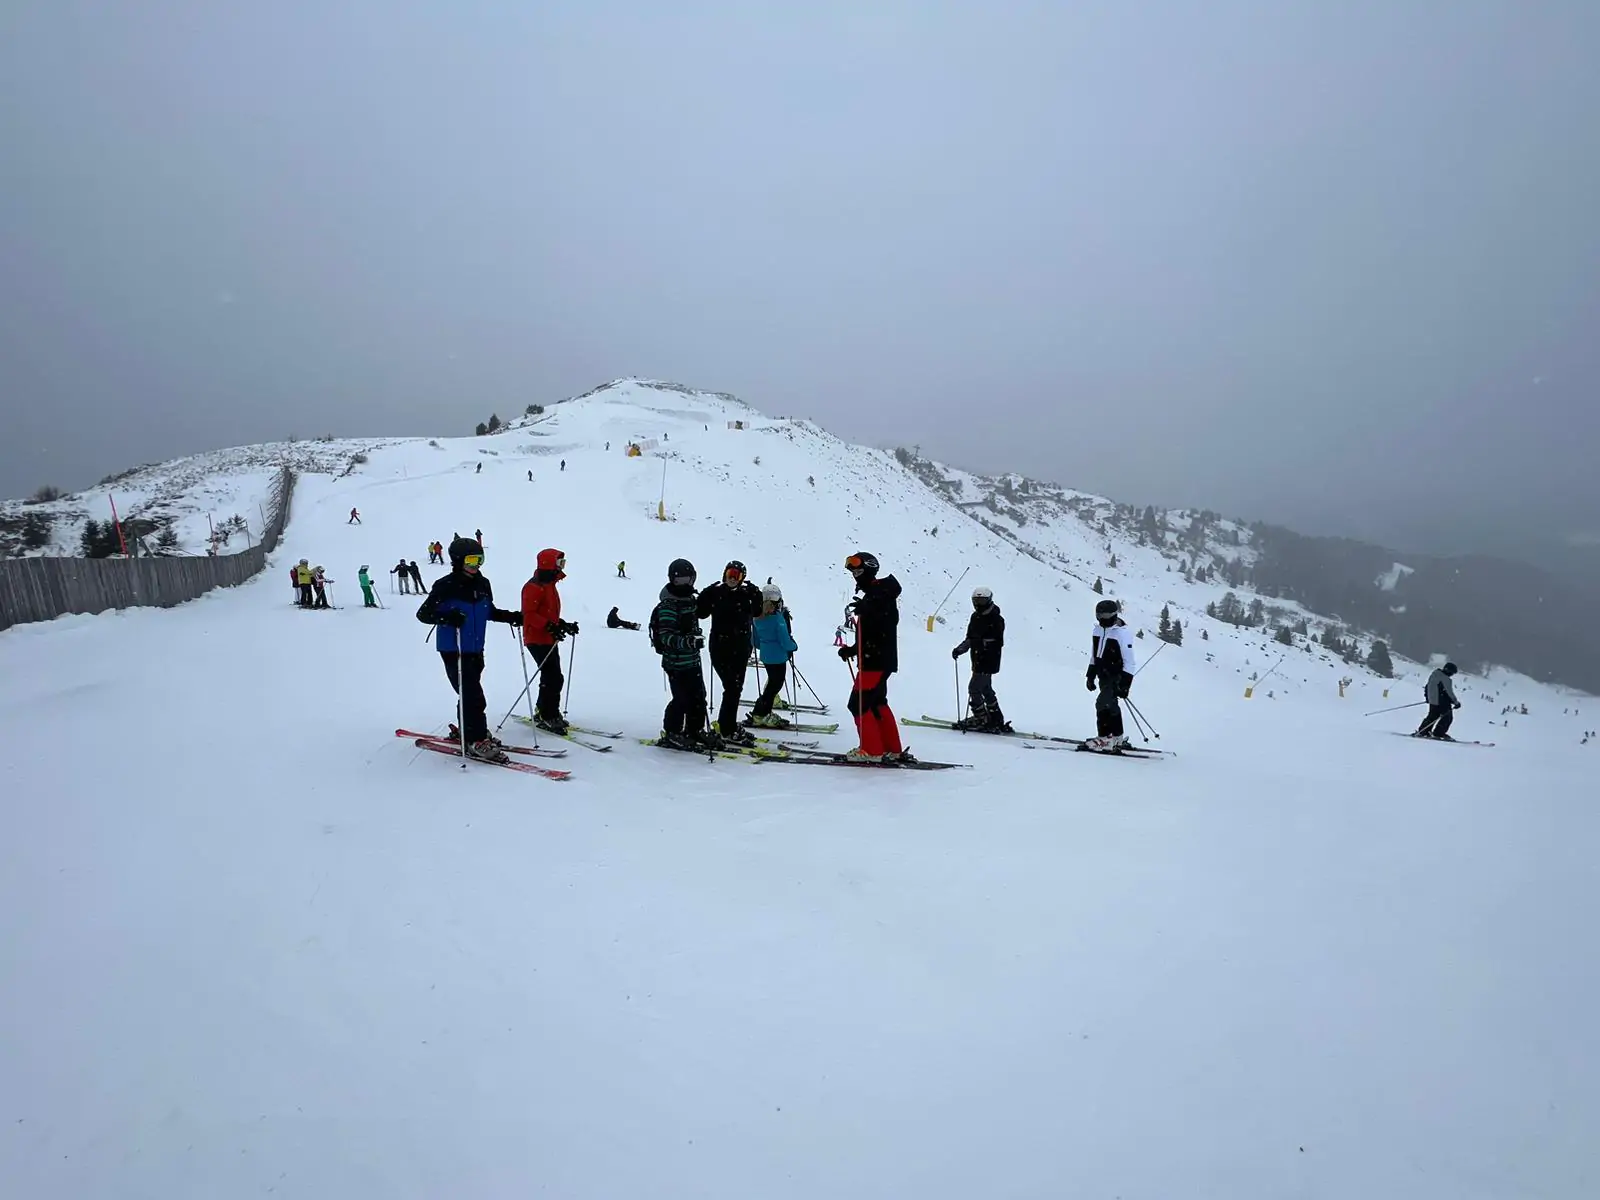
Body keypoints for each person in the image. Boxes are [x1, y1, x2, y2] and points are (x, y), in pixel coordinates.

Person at [415, 537, 522, 762]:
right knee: (473, 695)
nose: (477, 565)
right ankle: (475, 739)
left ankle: (468, 728)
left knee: (468, 692)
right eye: (471, 560)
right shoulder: (446, 585)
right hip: (453, 648)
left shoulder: (483, 584)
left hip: (475, 647)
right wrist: (447, 617)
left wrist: (512, 617)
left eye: (480, 559)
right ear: (458, 560)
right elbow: (423, 614)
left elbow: (488, 611)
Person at [838, 552, 910, 762]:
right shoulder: (876, 595)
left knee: (858, 704)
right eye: (853, 573)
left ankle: (871, 750)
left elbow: (885, 623)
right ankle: (891, 748)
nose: (856, 577)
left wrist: (869, 608)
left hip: (875, 661)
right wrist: (853, 650)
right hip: (877, 658)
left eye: (859, 571)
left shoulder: (881, 595)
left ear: (870, 570)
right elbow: (873, 633)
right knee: (877, 702)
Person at [648, 559, 720, 751]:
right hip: (675, 663)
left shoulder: (690, 600)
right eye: (679, 580)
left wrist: (709, 596)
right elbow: (666, 636)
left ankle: (694, 729)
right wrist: (687, 642)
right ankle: (672, 732)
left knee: (699, 696)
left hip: (692, 660)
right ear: (672, 580)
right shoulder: (668, 605)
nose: (684, 584)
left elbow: (700, 615)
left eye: (688, 579)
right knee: (681, 699)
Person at [697, 559, 764, 745]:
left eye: (737, 575)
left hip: (741, 649)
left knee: (735, 688)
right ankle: (727, 728)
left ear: (742, 578)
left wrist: (757, 595)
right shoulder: (717, 593)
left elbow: (757, 612)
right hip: (720, 648)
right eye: (730, 574)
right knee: (732, 688)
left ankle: (728, 725)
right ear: (724, 574)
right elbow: (701, 613)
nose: (732, 578)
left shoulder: (746, 594)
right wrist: (705, 595)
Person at [520, 548, 577, 733]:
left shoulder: (549, 585)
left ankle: (545, 711)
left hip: (548, 637)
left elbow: (548, 613)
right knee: (553, 677)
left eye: (563, 563)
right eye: (559, 563)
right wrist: (549, 626)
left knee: (552, 676)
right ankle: (547, 715)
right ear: (548, 563)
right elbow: (529, 615)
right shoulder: (534, 587)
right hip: (536, 638)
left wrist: (562, 625)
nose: (561, 567)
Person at [952, 586, 1008, 731]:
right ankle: (995, 717)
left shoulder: (996, 619)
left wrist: (978, 643)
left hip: (989, 660)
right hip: (977, 659)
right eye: (976, 601)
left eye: (982, 601)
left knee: (974, 688)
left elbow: (997, 641)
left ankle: (981, 718)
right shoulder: (975, 617)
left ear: (989, 600)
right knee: (985, 688)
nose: (978, 604)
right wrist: (960, 649)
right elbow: (970, 638)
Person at [747, 584, 798, 728]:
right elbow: (785, 641)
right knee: (775, 685)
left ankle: (763, 712)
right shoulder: (777, 619)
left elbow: (755, 641)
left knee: (772, 685)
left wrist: (766, 645)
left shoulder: (757, 618)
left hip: (766, 656)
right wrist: (793, 646)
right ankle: (761, 713)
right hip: (778, 657)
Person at [1087, 598, 1136, 747]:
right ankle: (1114, 737)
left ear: (1114, 615)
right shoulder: (1097, 630)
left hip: (1117, 675)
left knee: (1102, 703)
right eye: (1100, 615)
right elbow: (1094, 654)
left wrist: (1125, 685)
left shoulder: (1122, 633)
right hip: (1103, 674)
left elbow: (1130, 661)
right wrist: (1090, 675)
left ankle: (1107, 738)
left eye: (1106, 615)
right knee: (1111, 706)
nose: (1103, 619)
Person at [1414, 662, 1461, 739]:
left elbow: (1427, 687)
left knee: (1432, 716)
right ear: (1448, 670)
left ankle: (1423, 731)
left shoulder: (1434, 675)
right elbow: (1449, 692)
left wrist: (1428, 698)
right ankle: (1439, 733)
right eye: (1452, 673)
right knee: (1447, 717)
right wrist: (1456, 702)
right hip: (1442, 701)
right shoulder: (1445, 678)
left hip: (1433, 701)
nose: (1452, 675)